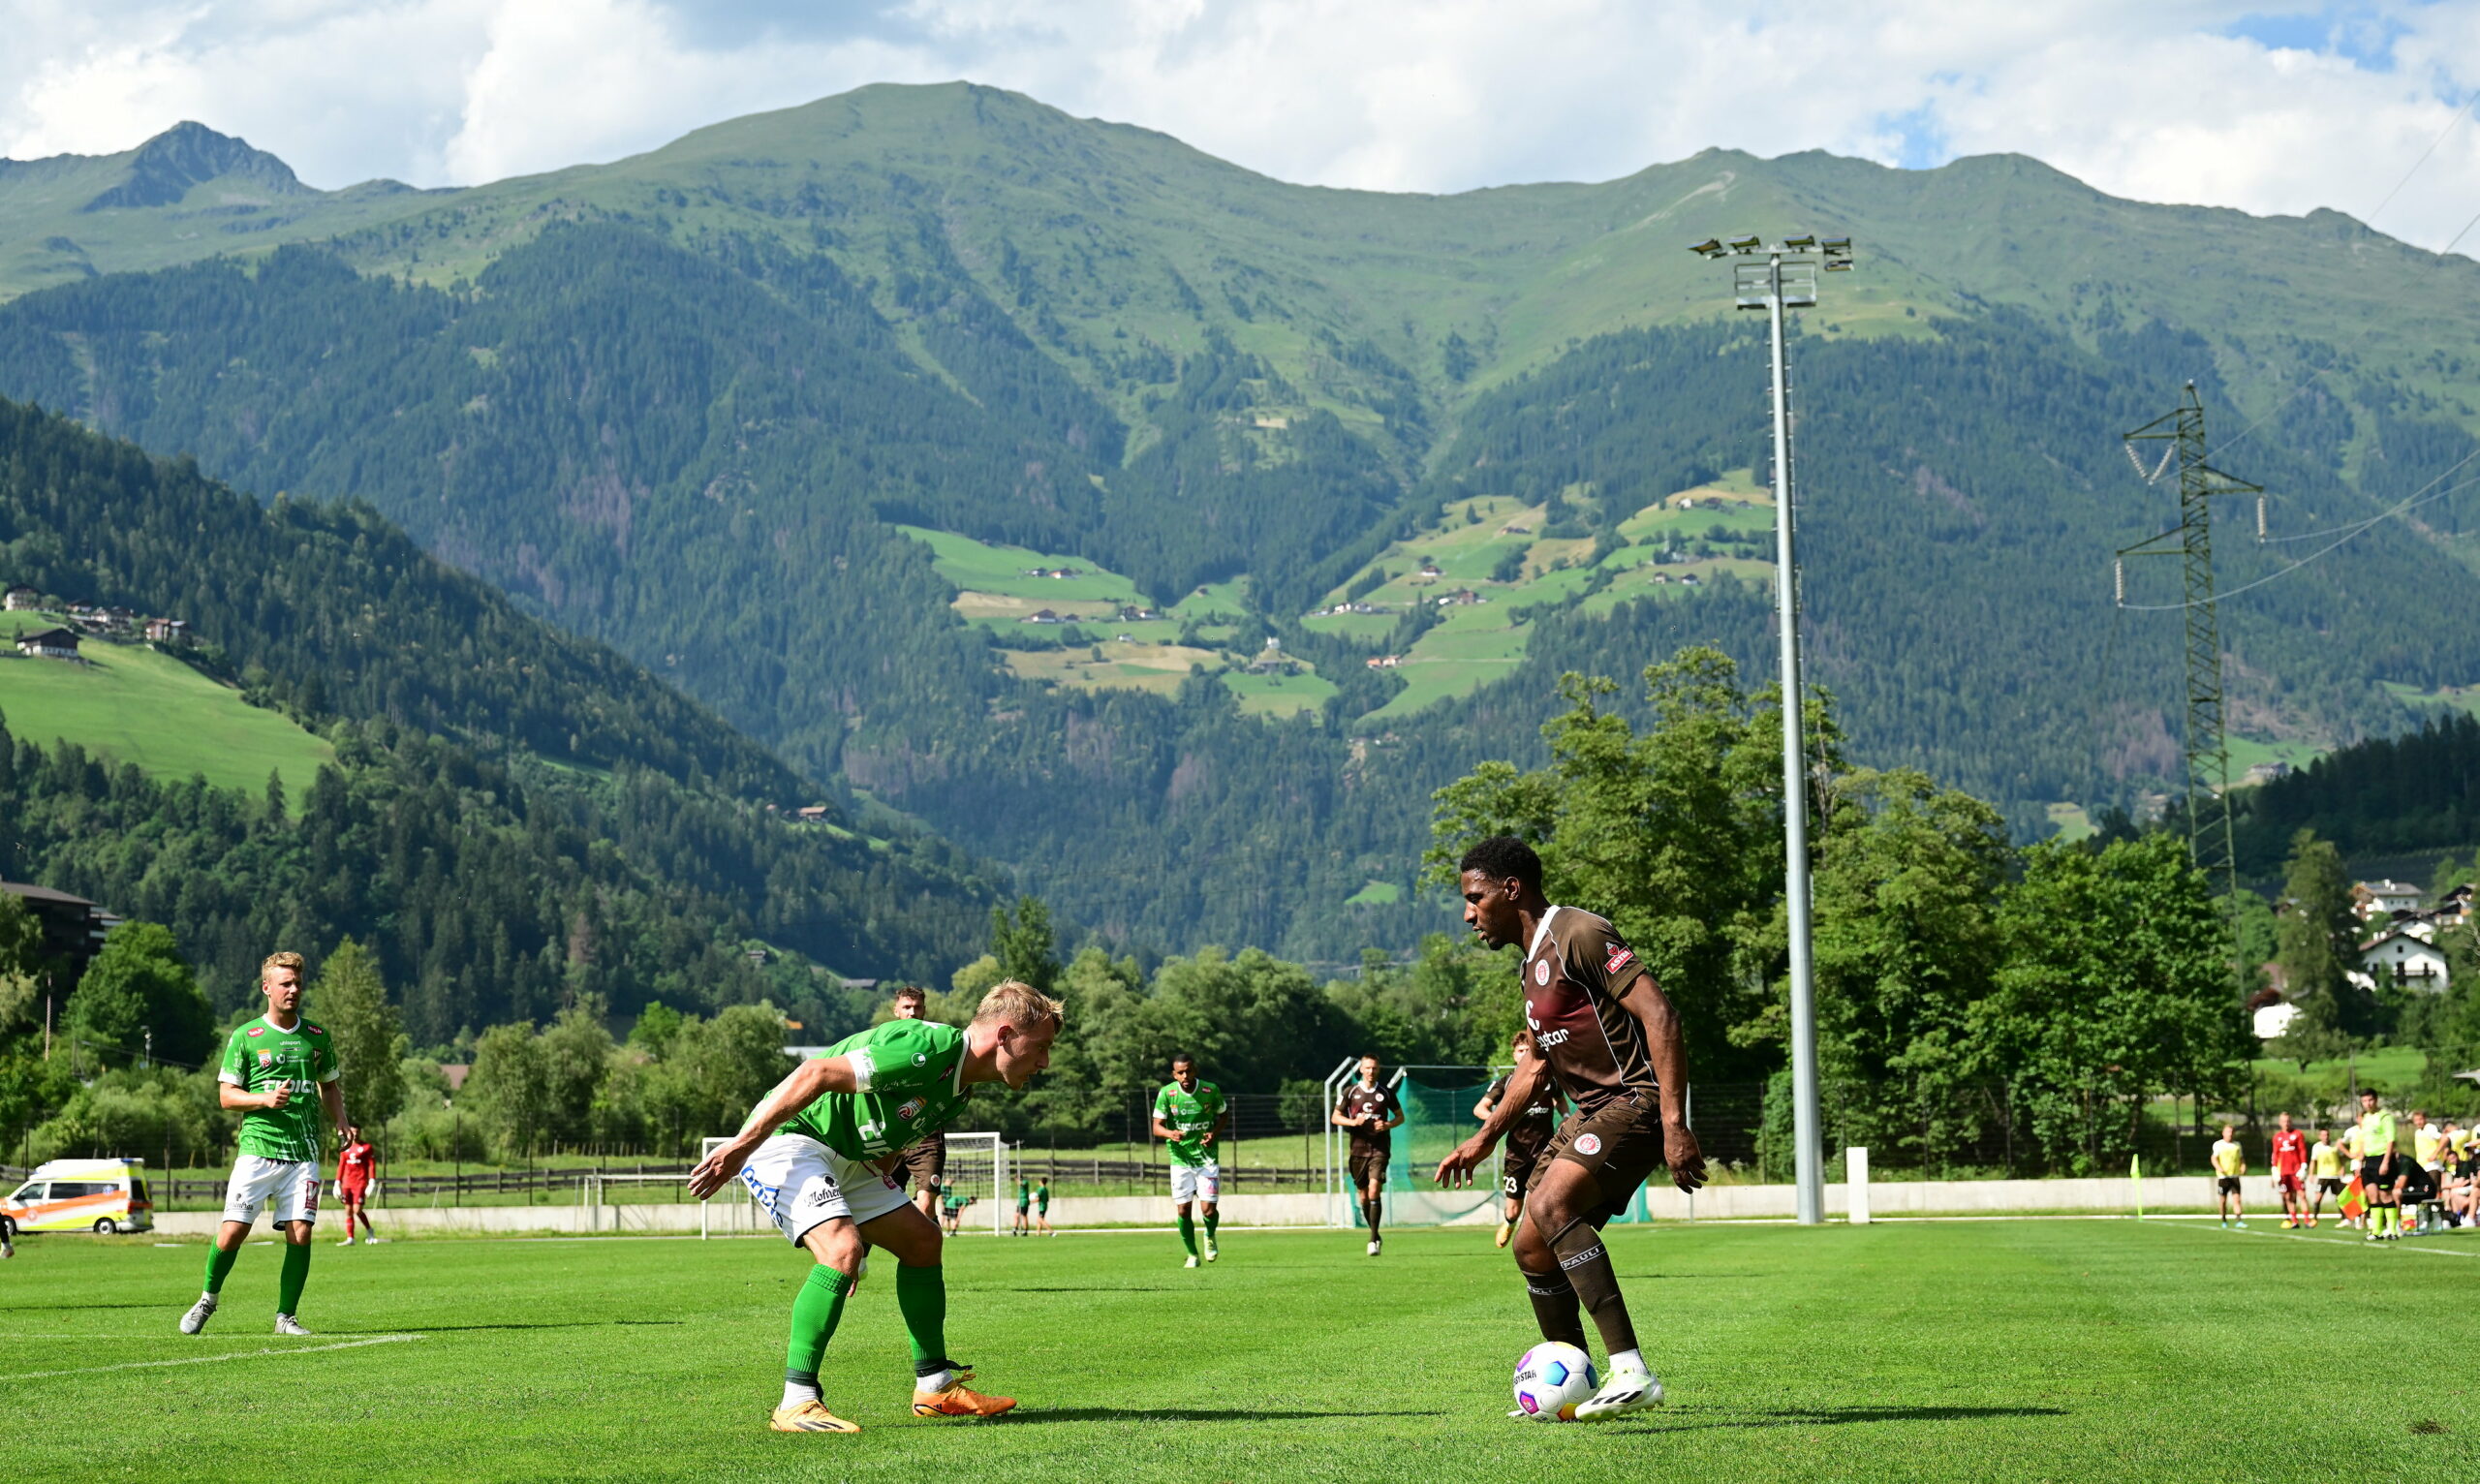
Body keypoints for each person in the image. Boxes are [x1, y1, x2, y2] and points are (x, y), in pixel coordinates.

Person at [688, 979, 1061, 1434]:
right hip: (789, 1140)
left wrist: (872, 1213)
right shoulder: (926, 1046)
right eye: (1040, 1047)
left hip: (847, 1157)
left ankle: (935, 1388)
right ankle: (796, 1402)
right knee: (841, 1250)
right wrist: (741, 1147)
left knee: (923, 1241)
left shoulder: (959, 1089)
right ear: (1004, 1036)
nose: (1044, 1061)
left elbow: (888, 1141)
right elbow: (815, 1074)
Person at [1436, 836, 1706, 1421]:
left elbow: (1661, 1014)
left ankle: (1631, 1370)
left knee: (1555, 1203)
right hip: (1587, 1111)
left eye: (1475, 898)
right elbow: (1533, 1065)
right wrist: (1483, 1141)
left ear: (1512, 890)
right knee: (1532, 1247)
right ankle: (1574, 1388)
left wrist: (1674, 1122)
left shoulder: (1579, 933)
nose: (1468, 913)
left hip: (1632, 1100)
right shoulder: (1530, 966)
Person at [181, 951, 348, 1338]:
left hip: (303, 1155)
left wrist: (340, 1120)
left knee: (301, 1233)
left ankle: (285, 1317)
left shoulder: (317, 1037)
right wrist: (264, 1099)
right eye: (285, 983)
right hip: (257, 1152)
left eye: (297, 984)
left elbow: (330, 1086)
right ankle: (208, 1298)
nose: (293, 990)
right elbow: (226, 1096)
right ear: (266, 988)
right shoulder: (245, 1037)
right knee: (232, 1233)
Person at [1472, 1031, 1564, 1249]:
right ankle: (1509, 1222)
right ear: (1514, 1055)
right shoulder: (1506, 1082)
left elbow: (1561, 1101)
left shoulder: (1548, 1079)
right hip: (1516, 1154)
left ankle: (1539, 1243)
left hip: (1545, 1151)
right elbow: (1480, 1109)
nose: (1524, 1054)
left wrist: (1566, 1117)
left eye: (1528, 1050)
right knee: (1514, 1208)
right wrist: (1501, 1121)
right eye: (1520, 1051)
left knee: (1541, 1203)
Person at [1153, 1053, 1226, 1268]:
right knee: (1183, 1210)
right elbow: (1156, 1126)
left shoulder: (1209, 1090)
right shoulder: (1167, 1093)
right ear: (1174, 1074)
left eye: (1189, 1070)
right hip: (1180, 1160)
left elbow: (1223, 1114)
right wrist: (1170, 1134)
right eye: (1180, 1072)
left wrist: (1214, 1133)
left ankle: (1210, 1235)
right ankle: (1192, 1254)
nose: (1185, 1075)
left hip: (1206, 1159)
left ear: (1195, 1070)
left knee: (1208, 1210)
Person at [886, 987, 949, 1223]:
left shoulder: (938, 1041)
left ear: (924, 1010)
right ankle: (858, 1260)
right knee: (873, 1207)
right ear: (896, 1010)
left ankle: (926, 1259)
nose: (912, 1012)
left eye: (917, 1007)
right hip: (892, 1136)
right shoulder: (883, 1042)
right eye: (906, 1007)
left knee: (925, 1205)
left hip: (926, 1134)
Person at [1332, 1054, 1403, 1256]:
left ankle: (1372, 1240)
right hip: (1358, 1151)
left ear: (1378, 1070)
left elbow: (1400, 1116)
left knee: (1374, 1190)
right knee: (1363, 1196)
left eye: (1374, 1068)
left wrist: (1388, 1124)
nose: (1371, 1071)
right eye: (1367, 1068)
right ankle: (1375, 1233)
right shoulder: (1350, 1092)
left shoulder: (1386, 1093)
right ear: (1361, 1070)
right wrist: (1353, 1122)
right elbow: (1335, 1117)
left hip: (1380, 1149)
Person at [2356, 1090, 2400, 1243]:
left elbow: (2390, 1141)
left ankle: (2393, 1230)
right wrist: (2359, 1161)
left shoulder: (2385, 1117)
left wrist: (2386, 1161)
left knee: (2385, 1195)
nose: (2368, 1104)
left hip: (2382, 1158)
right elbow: (2364, 1140)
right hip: (2369, 1160)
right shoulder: (2365, 1118)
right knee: (2372, 1195)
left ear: (2376, 1100)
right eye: (2364, 1101)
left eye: (2370, 1100)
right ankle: (2377, 1230)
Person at [335, 1125, 381, 1246]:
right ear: (349, 1132)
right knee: (348, 1210)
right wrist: (337, 1182)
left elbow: (371, 1165)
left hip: (360, 1183)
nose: (355, 1134)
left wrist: (372, 1181)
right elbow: (341, 1166)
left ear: (360, 1133)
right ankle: (350, 1238)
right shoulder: (345, 1148)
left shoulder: (367, 1147)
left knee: (357, 1209)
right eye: (353, 1131)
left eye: (357, 1132)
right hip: (347, 1184)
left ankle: (370, 1230)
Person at [2269, 1113, 2308, 1230]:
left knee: (2302, 1194)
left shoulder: (2298, 1134)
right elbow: (2275, 1154)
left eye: (2288, 1121)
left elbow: (2302, 1150)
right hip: (2284, 1172)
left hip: (2296, 1170)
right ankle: (2294, 1221)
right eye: (2284, 1121)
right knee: (2288, 1196)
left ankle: (2307, 1221)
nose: (2286, 1123)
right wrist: (2274, 1169)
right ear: (2280, 1123)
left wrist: (2303, 1166)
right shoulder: (2277, 1137)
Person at [2409, 1110, 2446, 1234]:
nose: (2418, 1122)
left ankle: (2441, 1220)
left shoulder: (2430, 1128)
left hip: (2432, 1166)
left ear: (2425, 1119)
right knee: (2424, 1194)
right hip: (2422, 1167)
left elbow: (2444, 1138)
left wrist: (2435, 1154)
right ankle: (2426, 1220)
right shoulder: (2418, 1132)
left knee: (2434, 1194)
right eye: (2416, 1120)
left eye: (2420, 1119)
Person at [2307, 1127, 2344, 1228]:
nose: (2325, 1137)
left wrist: (2342, 1168)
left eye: (2327, 1135)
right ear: (2320, 1136)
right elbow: (2313, 1161)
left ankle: (2344, 1219)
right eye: (2323, 1135)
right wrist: (2311, 1174)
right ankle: (2314, 1219)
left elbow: (2341, 1158)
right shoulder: (2316, 1147)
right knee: (2318, 1198)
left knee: (2340, 1198)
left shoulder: (2335, 1146)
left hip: (2335, 1176)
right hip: (2322, 1176)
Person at [2210, 1125, 2246, 1228]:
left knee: (2237, 1199)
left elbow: (2241, 1158)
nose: (2230, 1133)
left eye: (2231, 1131)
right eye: (2228, 1131)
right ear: (2223, 1133)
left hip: (2234, 1176)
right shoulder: (2218, 1144)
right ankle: (2224, 1219)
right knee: (2223, 1200)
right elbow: (2214, 1158)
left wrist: (2243, 1166)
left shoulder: (2237, 1145)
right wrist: (2219, 1167)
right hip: (2223, 1177)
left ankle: (2239, 1220)